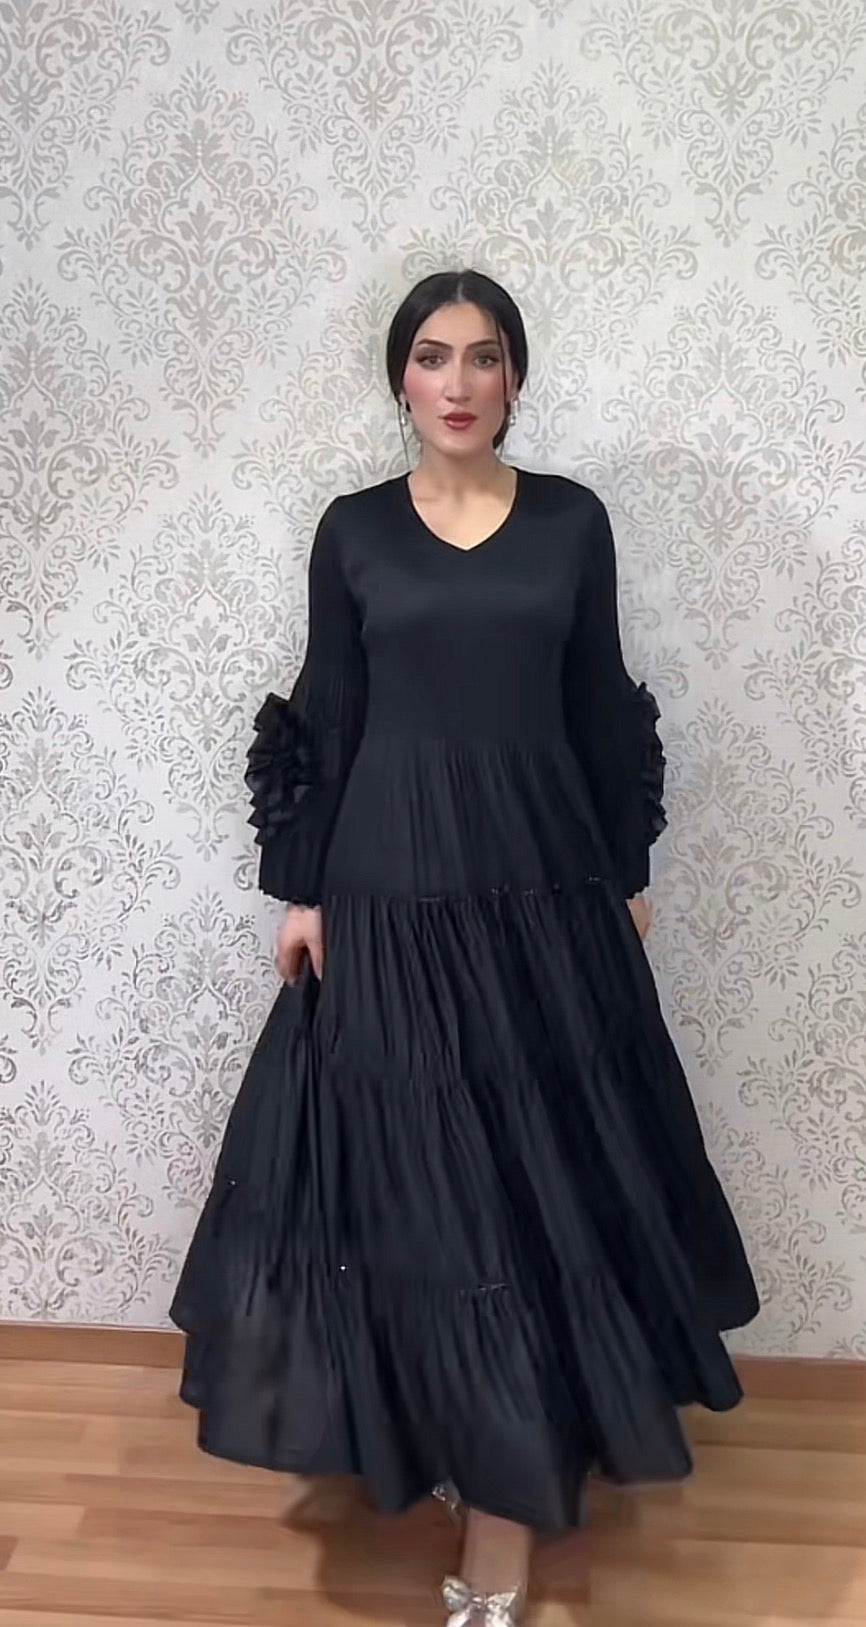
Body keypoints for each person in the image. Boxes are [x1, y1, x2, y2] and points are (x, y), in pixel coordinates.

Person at [170, 268, 759, 1625]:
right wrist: (302, 892)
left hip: (542, 884)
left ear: (514, 379)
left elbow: (598, 702)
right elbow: (328, 709)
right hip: (387, 886)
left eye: (483, 357)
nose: (457, 382)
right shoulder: (354, 531)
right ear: (400, 377)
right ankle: (457, 1436)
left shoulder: (571, 523)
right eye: (432, 356)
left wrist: (628, 870)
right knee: (421, 1197)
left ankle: (502, 1522)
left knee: (530, 1186)